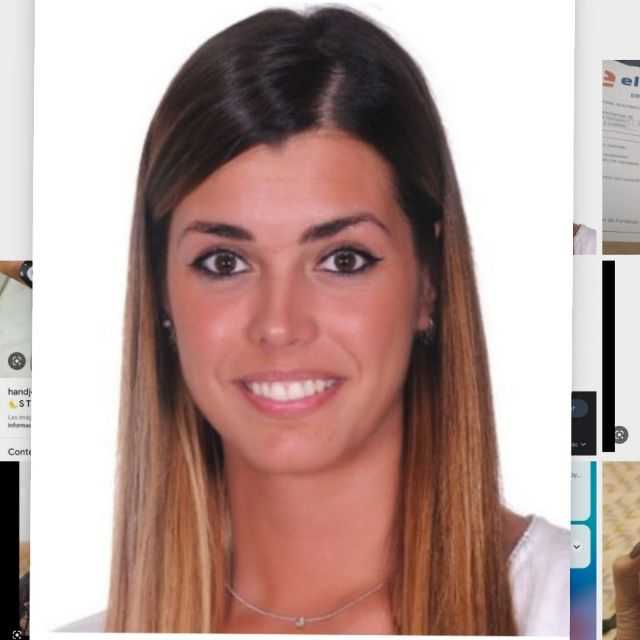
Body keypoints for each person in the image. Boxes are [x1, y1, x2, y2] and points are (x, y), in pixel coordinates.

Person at [65, 6, 569, 634]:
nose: (280, 325)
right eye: (224, 262)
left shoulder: (574, 606)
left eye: (342, 259)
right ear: (161, 293)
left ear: (429, 280)